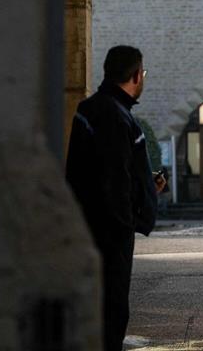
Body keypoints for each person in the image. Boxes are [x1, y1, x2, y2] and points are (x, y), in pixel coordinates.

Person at [66, 46, 166, 351]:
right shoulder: (116, 116)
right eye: (143, 74)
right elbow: (113, 178)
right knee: (112, 311)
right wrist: (128, 221)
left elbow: (102, 170)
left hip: (90, 227)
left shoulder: (90, 109)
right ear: (136, 75)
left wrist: (146, 186)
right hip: (110, 234)